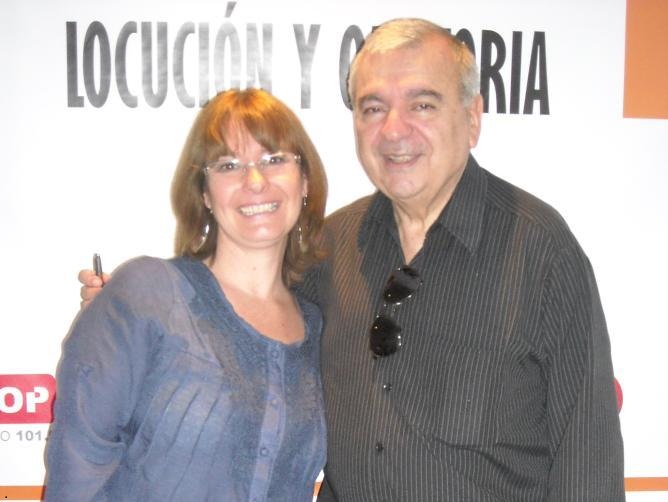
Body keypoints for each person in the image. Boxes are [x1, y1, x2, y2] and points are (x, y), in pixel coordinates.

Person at [78, 18, 625, 502]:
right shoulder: (330, 247)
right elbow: (240, 317)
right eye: (373, 108)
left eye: (422, 104)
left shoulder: (540, 249)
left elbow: (588, 457)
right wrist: (133, 316)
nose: (394, 130)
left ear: (473, 117)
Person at [47, 88, 328, 501]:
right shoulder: (148, 295)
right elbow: (78, 469)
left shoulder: (318, 325)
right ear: (204, 194)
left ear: (304, 180)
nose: (255, 181)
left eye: (274, 159)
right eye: (229, 165)